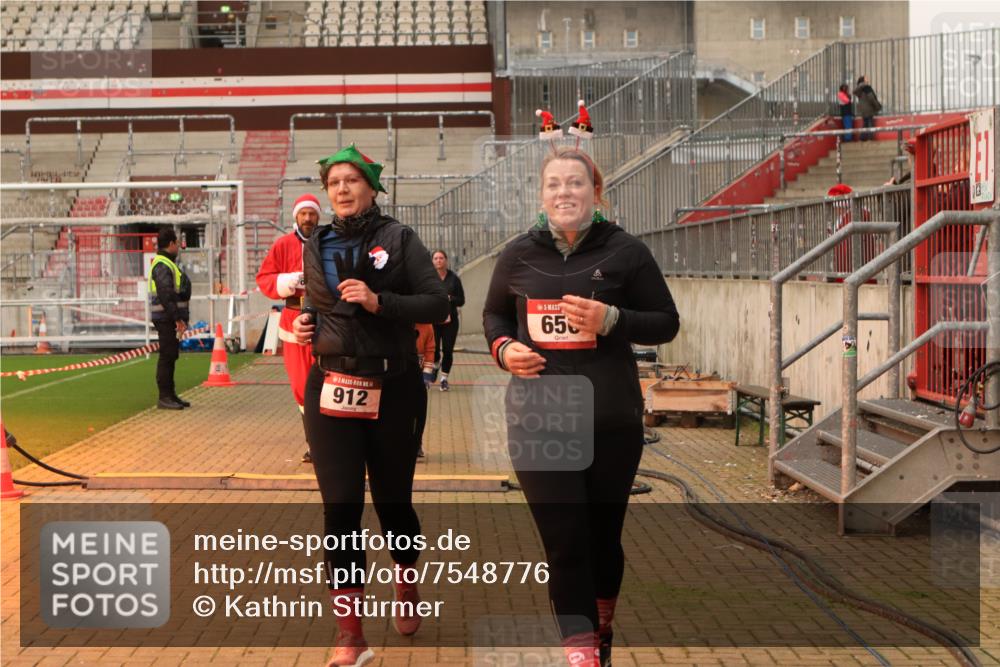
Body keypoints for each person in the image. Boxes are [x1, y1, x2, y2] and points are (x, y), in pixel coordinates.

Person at [483, 146, 680, 667]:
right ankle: (581, 653)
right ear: (541, 194)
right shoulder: (518, 255)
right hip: (539, 420)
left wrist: (611, 319)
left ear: (597, 193)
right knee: (566, 542)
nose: (564, 192)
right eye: (554, 184)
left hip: (609, 421)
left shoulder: (626, 252)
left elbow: (665, 321)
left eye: (575, 183)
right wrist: (505, 350)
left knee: (601, 538)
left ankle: (602, 630)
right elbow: (494, 317)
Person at [291, 144, 448, 667]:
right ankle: (351, 635)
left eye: (352, 180)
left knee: (392, 503)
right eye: (334, 181)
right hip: (330, 385)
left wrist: (381, 302)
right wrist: (303, 324)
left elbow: (438, 304)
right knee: (340, 510)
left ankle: (405, 586)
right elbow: (314, 302)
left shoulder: (398, 238)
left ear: (371, 188)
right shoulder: (317, 241)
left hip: (393, 387)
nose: (342, 189)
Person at [256, 193, 322, 463]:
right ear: (295, 216)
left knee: (329, 383)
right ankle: (314, 443)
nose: (308, 218)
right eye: (303, 213)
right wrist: (288, 280)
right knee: (301, 386)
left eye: (312, 213)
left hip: (326, 320)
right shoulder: (282, 245)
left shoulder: (328, 241)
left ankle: (331, 442)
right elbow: (264, 278)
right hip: (293, 320)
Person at [148, 227, 192, 410]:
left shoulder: (166, 263)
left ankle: (170, 395)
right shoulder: (162, 265)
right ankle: (164, 396)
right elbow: (166, 295)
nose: (179, 247)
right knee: (167, 356)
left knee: (171, 355)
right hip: (166, 318)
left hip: (168, 317)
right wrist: (177, 318)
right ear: (172, 243)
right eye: (177, 243)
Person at [431, 249, 465, 391]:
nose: (439, 260)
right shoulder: (429, 278)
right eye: (436, 258)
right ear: (432, 261)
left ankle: (444, 379)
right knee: (434, 351)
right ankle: (436, 364)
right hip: (433, 320)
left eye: (441, 258)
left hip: (450, 322)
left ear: (446, 260)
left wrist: (450, 298)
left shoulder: (454, 279)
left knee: (448, 350)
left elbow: (462, 300)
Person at [414, 323, 436, 459]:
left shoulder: (427, 325)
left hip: (419, 375)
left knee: (419, 412)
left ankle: (417, 444)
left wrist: (427, 374)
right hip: (399, 372)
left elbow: (430, 349)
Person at [853, 75, 881, 141]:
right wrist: (877, 106)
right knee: (870, 123)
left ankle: (862, 138)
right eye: (866, 78)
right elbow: (871, 98)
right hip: (868, 108)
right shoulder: (867, 88)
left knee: (865, 123)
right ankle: (870, 138)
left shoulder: (859, 89)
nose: (867, 79)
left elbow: (854, 92)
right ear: (863, 80)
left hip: (862, 109)